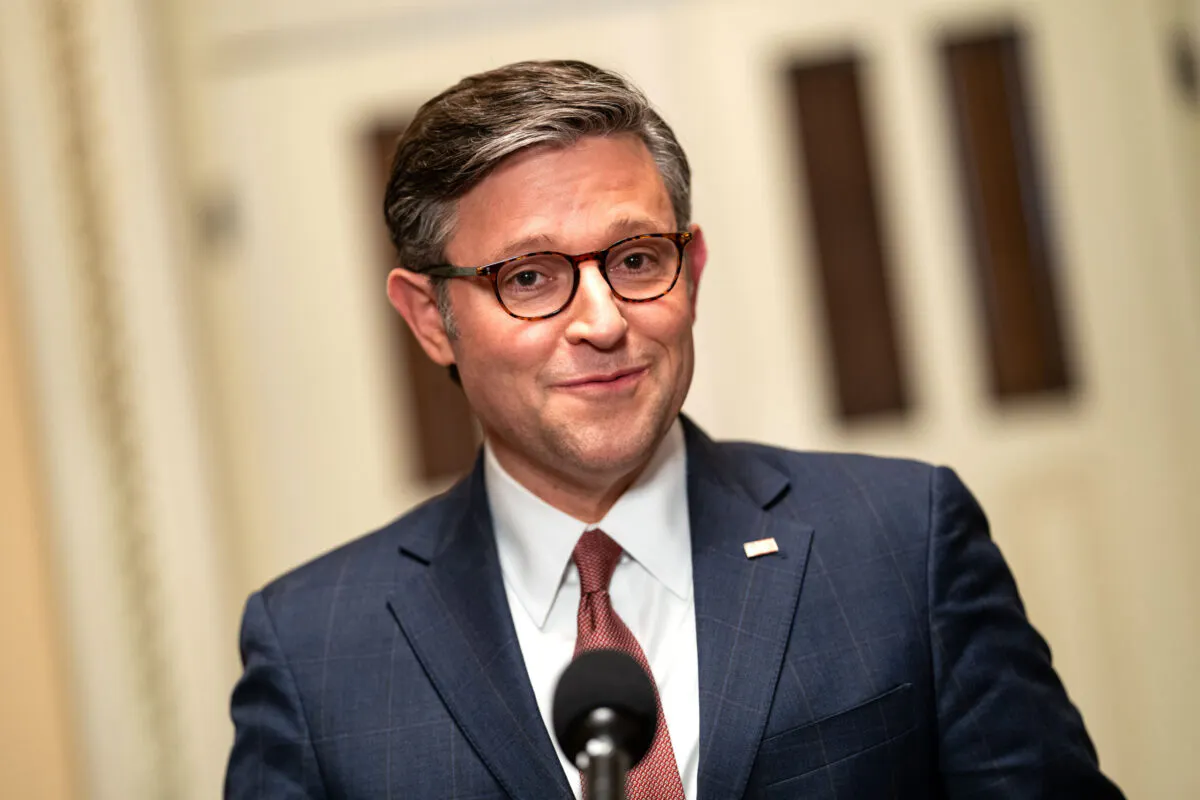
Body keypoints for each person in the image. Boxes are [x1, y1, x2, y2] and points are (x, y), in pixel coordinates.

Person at [225, 60, 1123, 799]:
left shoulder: (900, 540)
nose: (603, 321)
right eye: (530, 278)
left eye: (635, 259)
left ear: (690, 270)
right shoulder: (315, 651)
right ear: (431, 319)